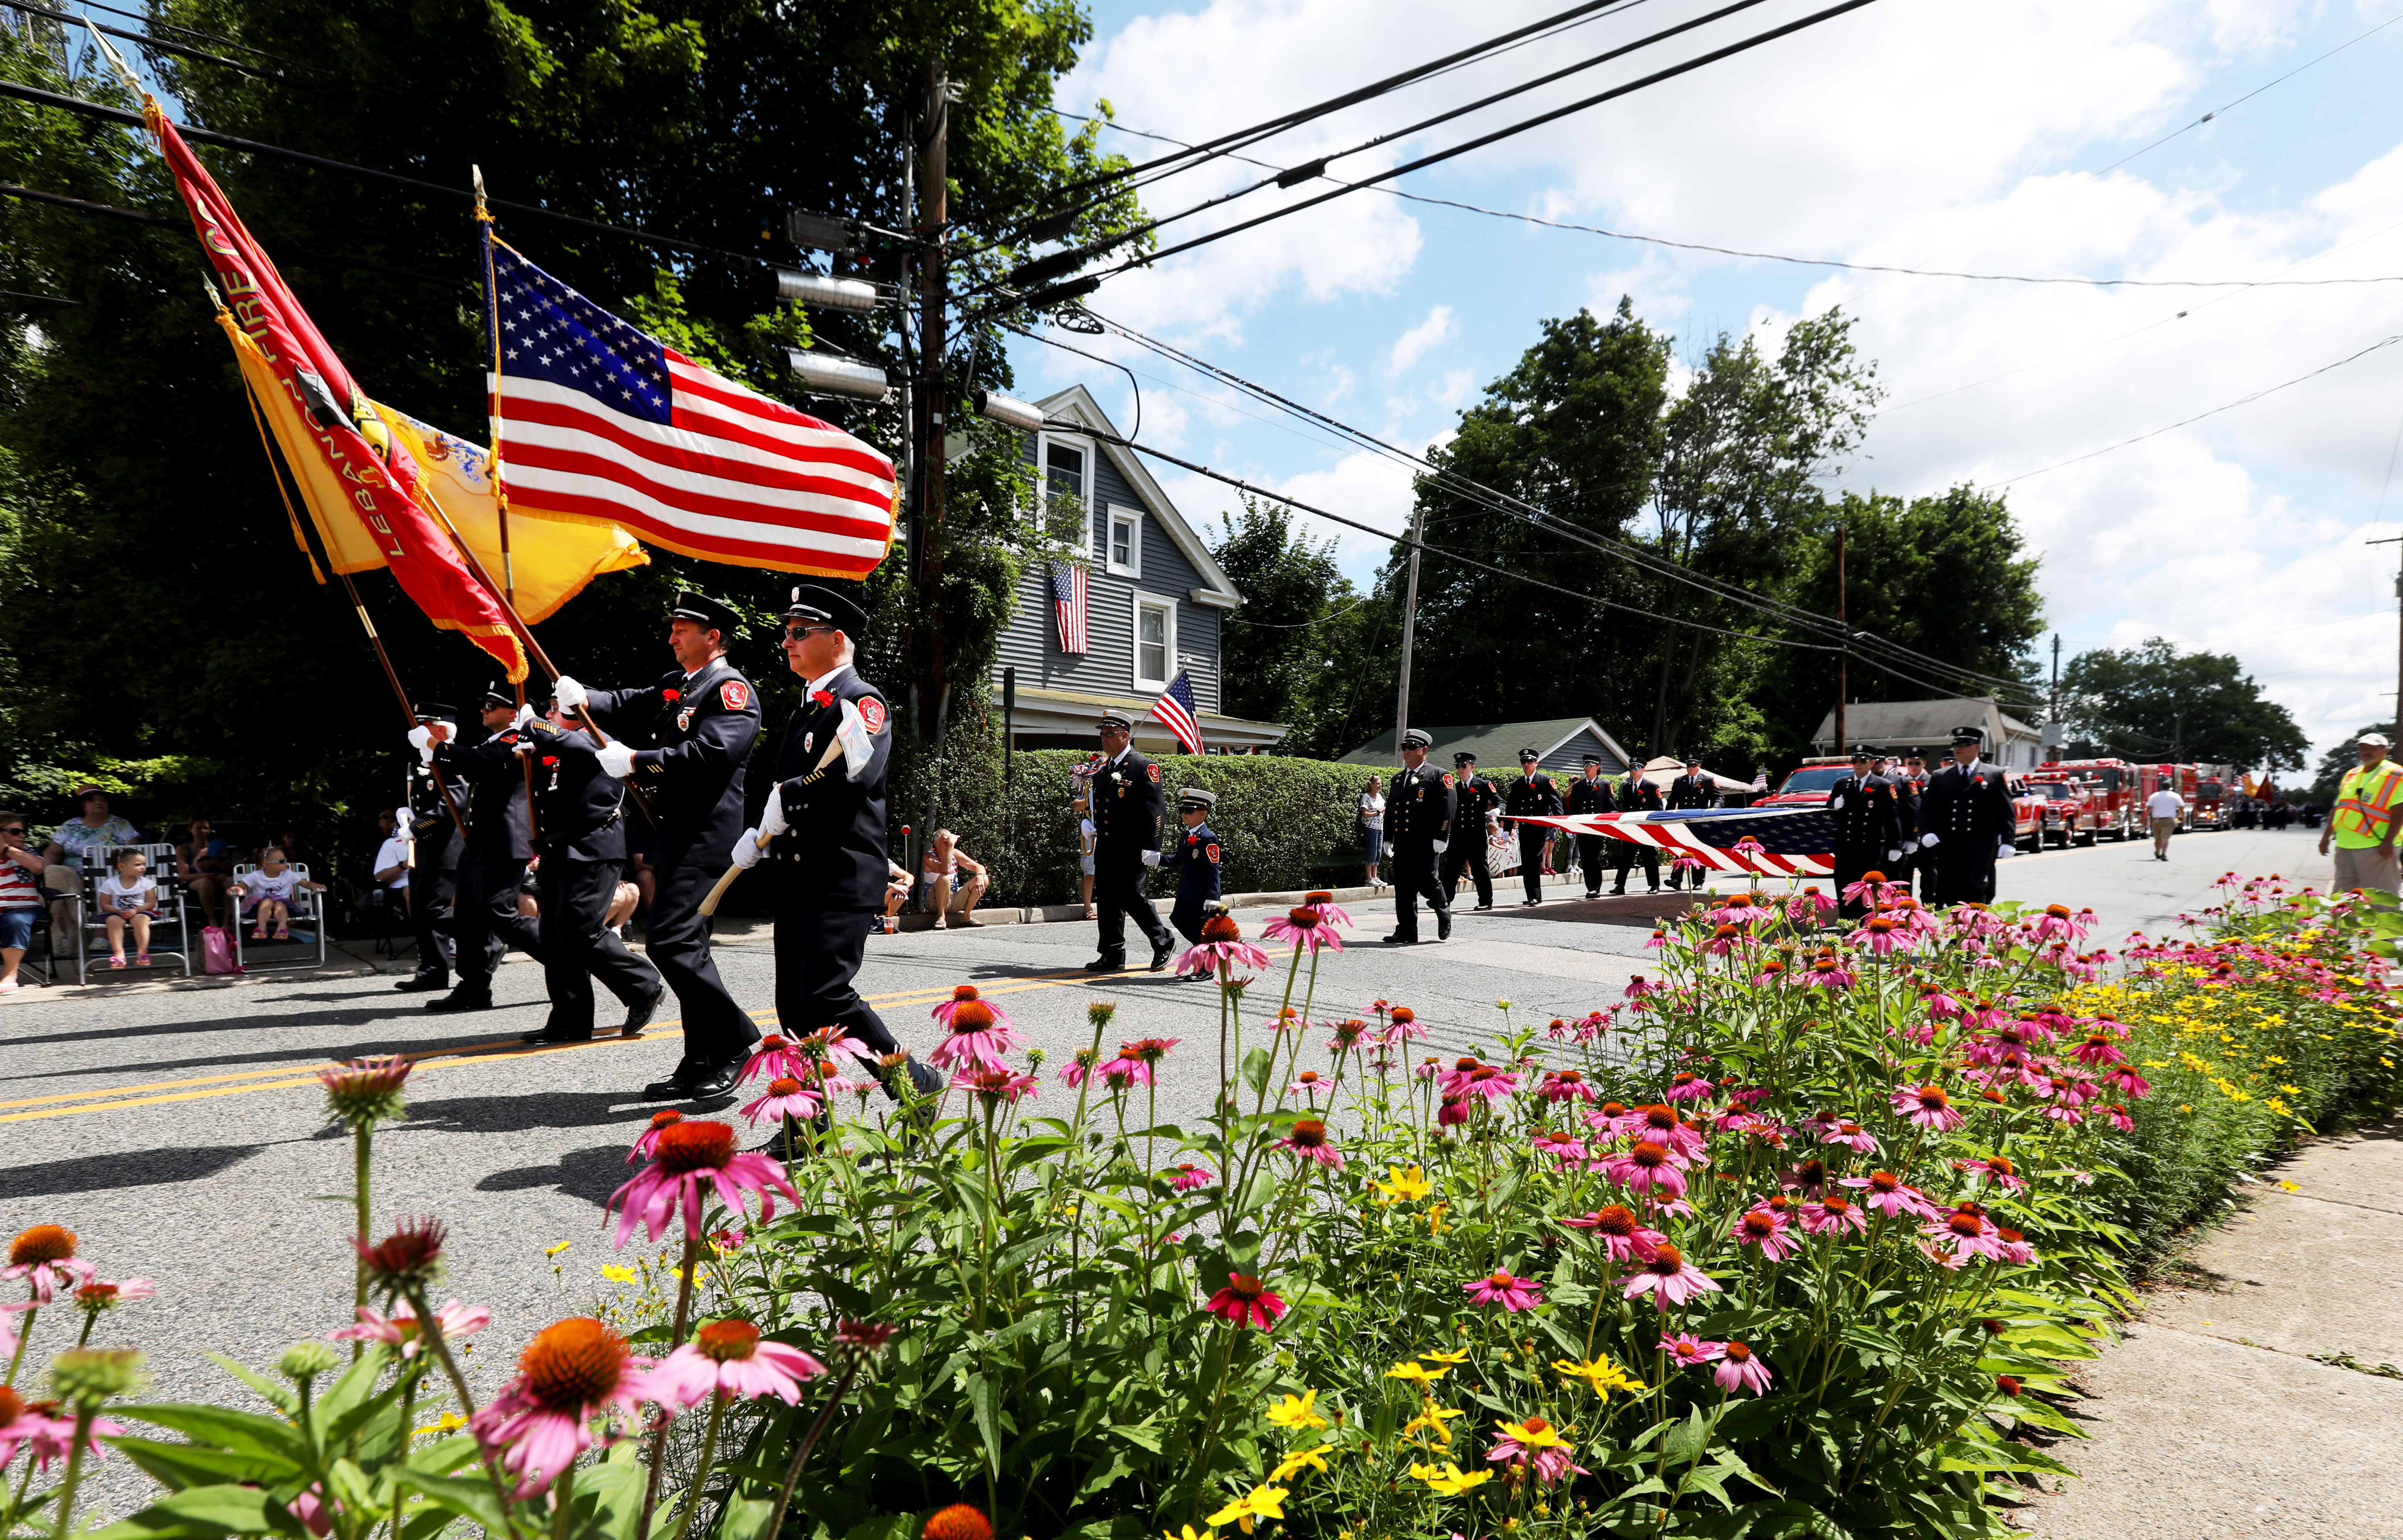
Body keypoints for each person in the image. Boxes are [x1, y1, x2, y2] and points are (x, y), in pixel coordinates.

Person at [729, 582, 940, 1100]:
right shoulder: (808, 707)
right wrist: (762, 834)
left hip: (841, 875)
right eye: (787, 633)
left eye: (800, 632)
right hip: (800, 874)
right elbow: (786, 786)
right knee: (796, 1006)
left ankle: (915, 1087)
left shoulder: (861, 702)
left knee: (827, 996)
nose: (787, 642)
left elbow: (854, 777)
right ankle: (808, 1122)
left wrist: (791, 796)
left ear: (837, 639)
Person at [555, 590, 762, 1099]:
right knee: (685, 948)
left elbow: (711, 753)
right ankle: (698, 1059)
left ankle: (734, 1042)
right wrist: (584, 698)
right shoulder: (681, 684)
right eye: (672, 628)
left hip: (707, 837)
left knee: (671, 943)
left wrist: (637, 759)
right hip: (674, 832)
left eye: (682, 629)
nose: (672, 637)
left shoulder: (730, 690)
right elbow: (629, 701)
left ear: (713, 637)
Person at [515, 697, 668, 1045]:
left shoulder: (600, 739)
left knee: (579, 929)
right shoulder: (558, 748)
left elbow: (557, 737)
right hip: (559, 848)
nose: (550, 715)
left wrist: (533, 724)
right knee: (555, 938)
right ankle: (570, 1019)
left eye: (554, 709)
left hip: (593, 848)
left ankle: (643, 985)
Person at [415, 687, 547, 1012]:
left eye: (492, 705)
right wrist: (437, 753)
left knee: (499, 914)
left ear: (515, 711)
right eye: (484, 705)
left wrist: (436, 746)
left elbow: (479, 762)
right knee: (469, 915)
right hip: (480, 842)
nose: (484, 711)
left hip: (504, 841)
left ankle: (565, 954)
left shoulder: (518, 737)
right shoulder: (494, 740)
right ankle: (473, 986)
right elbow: (472, 764)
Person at [1082, 709, 1173, 974]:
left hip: (1133, 847)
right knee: (1108, 899)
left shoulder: (1143, 766)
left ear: (1125, 736)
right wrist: (1090, 826)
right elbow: (1105, 809)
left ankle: (1163, 941)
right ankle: (1113, 952)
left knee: (1132, 895)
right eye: (1102, 734)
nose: (1104, 738)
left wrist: (1153, 848)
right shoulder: (1103, 772)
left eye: (1110, 734)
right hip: (1108, 847)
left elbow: (1156, 811)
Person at [398, 706, 469, 994]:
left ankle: (484, 934)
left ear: (442, 730)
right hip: (422, 847)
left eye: (424, 725)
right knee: (420, 910)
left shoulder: (453, 759)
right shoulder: (419, 763)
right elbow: (420, 802)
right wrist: (407, 814)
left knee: (435, 910)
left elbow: (454, 805)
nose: (418, 730)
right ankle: (432, 971)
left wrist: (417, 827)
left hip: (444, 847)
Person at [1917, 726, 2015, 907]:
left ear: (1977, 747)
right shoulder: (1941, 776)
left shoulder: (1994, 774)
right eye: (1956, 744)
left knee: (1975, 888)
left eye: (1964, 744)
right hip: (1949, 844)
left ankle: (1976, 935)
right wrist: (1926, 832)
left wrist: (2009, 840)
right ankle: (1958, 933)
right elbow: (1926, 810)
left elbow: (2006, 811)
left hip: (1980, 845)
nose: (1958, 749)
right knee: (1950, 889)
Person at [40, 787, 140, 958]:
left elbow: (135, 854)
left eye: (102, 800)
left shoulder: (120, 825)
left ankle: (100, 935)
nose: (98, 803)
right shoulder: (70, 826)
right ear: (83, 805)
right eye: (92, 800)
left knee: (103, 883)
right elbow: (52, 853)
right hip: (75, 877)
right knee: (55, 879)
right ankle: (65, 934)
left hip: (112, 876)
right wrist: (48, 869)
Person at [1383, 728, 1456, 945]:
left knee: (1429, 882)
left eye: (1412, 748)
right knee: (1403, 887)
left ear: (1424, 750)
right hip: (1404, 842)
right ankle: (1406, 930)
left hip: (1427, 841)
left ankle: (1444, 916)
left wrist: (1442, 835)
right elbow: (1392, 810)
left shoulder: (1438, 775)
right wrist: (1388, 837)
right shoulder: (1398, 780)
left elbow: (1448, 808)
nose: (1407, 751)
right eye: (1404, 747)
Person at [2320, 731, 2403, 893]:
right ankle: (2346, 920)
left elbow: (2400, 810)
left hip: (2377, 847)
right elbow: (2339, 809)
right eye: (2363, 748)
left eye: (2372, 748)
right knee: (2343, 899)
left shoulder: (2396, 774)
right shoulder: (2352, 774)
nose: (2366, 752)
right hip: (2345, 845)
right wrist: (2325, 838)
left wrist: (2388, 842)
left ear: (2386, 750)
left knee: (2382, 898)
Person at [1826, 748, 1905, 920]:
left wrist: (1896, 845)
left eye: (1862, 761)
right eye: (1855, 761)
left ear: (1872, 763)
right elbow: (1829, 810)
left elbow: (1893, 817)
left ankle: (1863, 922)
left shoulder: (1883, 786)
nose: (1858, 765)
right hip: (1845, 845)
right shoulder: (1842, 783)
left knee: (1865, 888)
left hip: (1869, 846)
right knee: (1844, 885)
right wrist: (1834, 806)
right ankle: (1847, 923)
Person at [1503, 749, 1564, 906]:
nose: (1526, 765)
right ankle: (1531, 895)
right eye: (1524, 762)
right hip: (1524, 828)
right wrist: (1506, 830)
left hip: (1539, 828)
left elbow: (1556, 804)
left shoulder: (1545, 781)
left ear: (1536, 763)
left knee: (1536, 861)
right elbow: (1511, 809)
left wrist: (1561, 824)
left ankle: (1536, 895)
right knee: (1527, 862)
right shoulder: (1517, 785)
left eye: (1530, 761)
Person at [1441, 752, 1499, 911]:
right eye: (1458, 766)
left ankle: (1486, 900)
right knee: (1452, 869)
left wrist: (1498, 810)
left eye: (1463, 766)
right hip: (1458, 835)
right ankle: (1444, 900)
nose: (1460, 769)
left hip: (1476, 835)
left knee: (1480, 869)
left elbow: (1499, 801)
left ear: (1472, 767)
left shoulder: (1483, 785)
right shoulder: (1455, 788)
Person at [1168, 787, 1224, 949]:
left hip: (1201, 894)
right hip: (1186, 893)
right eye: (1182, 810)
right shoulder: (1186, 834)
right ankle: (1203, 948)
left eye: (1189, 811)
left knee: (1201, 930)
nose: (1184, 814)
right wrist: (1157, 859)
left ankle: (1205, 968)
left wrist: (1214, 896)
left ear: (1203, 814)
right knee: (1178, 919)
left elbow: (1213, 869)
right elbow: (1178, 859)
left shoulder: (1208, 838)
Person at [232, 846, 324, 940]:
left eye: (285, 860)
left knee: (280, 903)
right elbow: (242, 885)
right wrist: (237, 889)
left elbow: (305, 883)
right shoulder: (256, 876)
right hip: (260, 910)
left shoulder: (289, 874)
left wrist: (314, 886)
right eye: (281, 861)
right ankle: (262, 928)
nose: (286, 863)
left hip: (283, 909)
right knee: (267, 901)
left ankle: (282, 928)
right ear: (267, 865)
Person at [95, 847, 161, 969]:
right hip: (116, 914)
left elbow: (151, 903)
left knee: (140, 920)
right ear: (121, 867)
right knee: (113, 921)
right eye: (138, 865)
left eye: (144, 864)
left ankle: (142, 953)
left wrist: (136, 910)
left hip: (141, 912)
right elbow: (104, 904)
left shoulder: (146, 883)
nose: (143, 868)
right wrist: (118, 911)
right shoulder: (110, 884)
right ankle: (119, 954)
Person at [0, 811, 43, 993]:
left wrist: (6, 849)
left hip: (24, 910)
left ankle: (10, 977)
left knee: (16, 920)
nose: (23, 835)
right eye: (16, 831)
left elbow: (38, 866)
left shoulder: (27, 853)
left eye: (23, 831)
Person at [1663, 759, 1717, 889]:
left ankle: (1698, 881)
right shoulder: (1679, 781)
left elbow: (1719, 797)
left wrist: (1715, 810)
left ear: (1699, 766)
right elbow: (1672, 800)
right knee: (1680, 849)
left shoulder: (1707, 780)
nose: (1691, 768)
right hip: (1684, 820)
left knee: (1699, 850)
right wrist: (1667, 817)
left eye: (1694, 765)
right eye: (1688, 766)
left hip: (1700, 821)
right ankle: (1676, 879)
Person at [919, 830, 990, 929]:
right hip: (934, 902)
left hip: (954, 899)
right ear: (936, 843)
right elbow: (945, 870)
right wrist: (950, 847)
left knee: (984, 878)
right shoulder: (929, 857)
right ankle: (941, 916)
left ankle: (966, 916)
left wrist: (979, 876)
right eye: (945, 842)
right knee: (945, 878)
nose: (948, 844)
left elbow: (980, 867)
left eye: (950, 842)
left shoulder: (955, 853)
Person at [175, 817, 235, 931]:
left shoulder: (218, 847)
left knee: (231, 881)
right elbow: (184, 876)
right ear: (191, 830)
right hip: (195, 882)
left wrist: (215, 862)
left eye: (206, 828)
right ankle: (212, 920)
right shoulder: (183, 849)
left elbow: (231, 870)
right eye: (199, 828)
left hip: (218, 880)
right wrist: (205, 875)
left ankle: (227, 920)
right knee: (205, 882)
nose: (203, 831)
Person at [1567, 754, 1612, 899]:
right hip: (1583, 827)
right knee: (1586, 858)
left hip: (1598, 827)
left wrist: (1610, 825)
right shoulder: (1579, 786)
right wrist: (1571, 827)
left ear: (1598, 767)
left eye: (1590, 765)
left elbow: (1612, 808)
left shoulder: (1605, 785)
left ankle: (1596, 888)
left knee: (1596, 857)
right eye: (1585, 765)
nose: (1587, 768)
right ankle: (1590, 887)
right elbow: (1573, 808)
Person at [1613, 768, 1664, 894]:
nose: (1634, 771)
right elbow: (1623, 806)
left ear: (1643, 770)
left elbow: (1658, 808)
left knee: (1649, 857)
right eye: (1631, 768)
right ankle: (1620, 886)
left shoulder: (1651, 786)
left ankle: (1655, 885)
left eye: (1637, 768)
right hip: (1631, 827)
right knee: (1626, 857)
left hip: (1646, 828)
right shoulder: (1627, 786)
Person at [1891, 752, 1930, 897]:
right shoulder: (1900, 782)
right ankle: (1906, 904)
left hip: (1927, 834)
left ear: (1924, 764)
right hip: (1907, 835)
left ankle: (1931, 904)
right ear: (1906, 764)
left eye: (1917, 763)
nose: (1914, 767)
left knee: (1929, 871)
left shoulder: (1932, 781)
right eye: (1911, 763)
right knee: (1905, 873)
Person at [1070, 756, 1100, 919]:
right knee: (1090, 871)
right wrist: (1091, 798)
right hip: (1091, 830)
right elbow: (1076, 806)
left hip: (1111, 830)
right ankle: (1088, 909)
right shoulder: (1088, 786)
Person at [2146, 779, 2187, 863]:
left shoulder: (2154, 796)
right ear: (2170, 788)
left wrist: (2146, 818)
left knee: (2158, 839)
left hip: (2157, 820)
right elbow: (2181, 807)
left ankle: (2158, 852)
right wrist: (2182, 816)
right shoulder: (2175, 796)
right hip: (2169, 820)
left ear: (2162, 787)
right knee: (2165, 838)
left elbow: (2149, 808)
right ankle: (2163, 854)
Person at [1359, 775, 1386, 889]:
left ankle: (1375, 877)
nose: (1380, 786)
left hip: (1380, 828)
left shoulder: (1379, 797)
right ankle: (1369, 878)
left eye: (1381, 784)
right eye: (1378, 784)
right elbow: (1365, 814)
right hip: (1371, 828)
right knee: (1372, 852)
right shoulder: (1366, 797)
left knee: (1378, 852)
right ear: (1371, 784)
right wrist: (1379, 812)